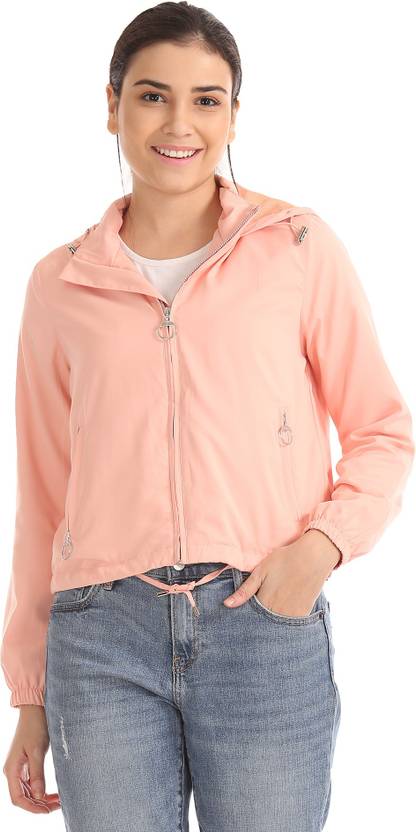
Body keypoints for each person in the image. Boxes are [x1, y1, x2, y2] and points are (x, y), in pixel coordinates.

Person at [1, 3, 414, 830]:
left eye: (207, 99)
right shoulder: (62, 282)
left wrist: (319, 550)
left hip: (261, 620)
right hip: (99, 637)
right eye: (152, 96)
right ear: (112, 106)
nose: (179, 124)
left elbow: (382, 429)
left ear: (233, 114)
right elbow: (44, 495)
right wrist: (31, 693)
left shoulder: (297, 247)